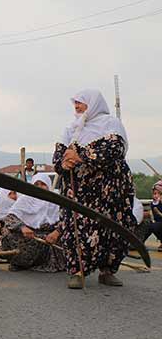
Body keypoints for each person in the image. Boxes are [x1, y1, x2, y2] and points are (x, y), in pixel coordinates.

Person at [53, 89, 134, 289]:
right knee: (76, 228)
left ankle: (107, 271)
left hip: (110, 189)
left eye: (81, 103)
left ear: (94, 104)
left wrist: (80, 156)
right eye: (75, 104)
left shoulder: (111, 123)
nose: (77, 107)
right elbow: (58, 158)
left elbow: (114, 149)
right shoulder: (71, 129)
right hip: (80, 191)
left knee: (113, 227)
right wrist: (64, 164)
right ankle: (77, 272)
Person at [0, 174, 65, 272]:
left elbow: (67, 220)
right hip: (29, 235)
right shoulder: (25, 199)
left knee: (63, 240)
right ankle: (21, 262)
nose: (39, 187)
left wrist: (57, 232)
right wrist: (22, 227)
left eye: (43, 184)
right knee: (8, 237)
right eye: (36, 184)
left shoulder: (56, 200)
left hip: (50, 236)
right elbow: (10, 217)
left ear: (48, 185)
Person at [137, 181, 162, 250]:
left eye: (158, 194)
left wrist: (158, 212)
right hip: (157, 223)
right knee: (147, 223)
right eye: (154, 194)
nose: (155, 196)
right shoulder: (153, 203)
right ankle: (139, 242)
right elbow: (151, 214)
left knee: (155, 225)